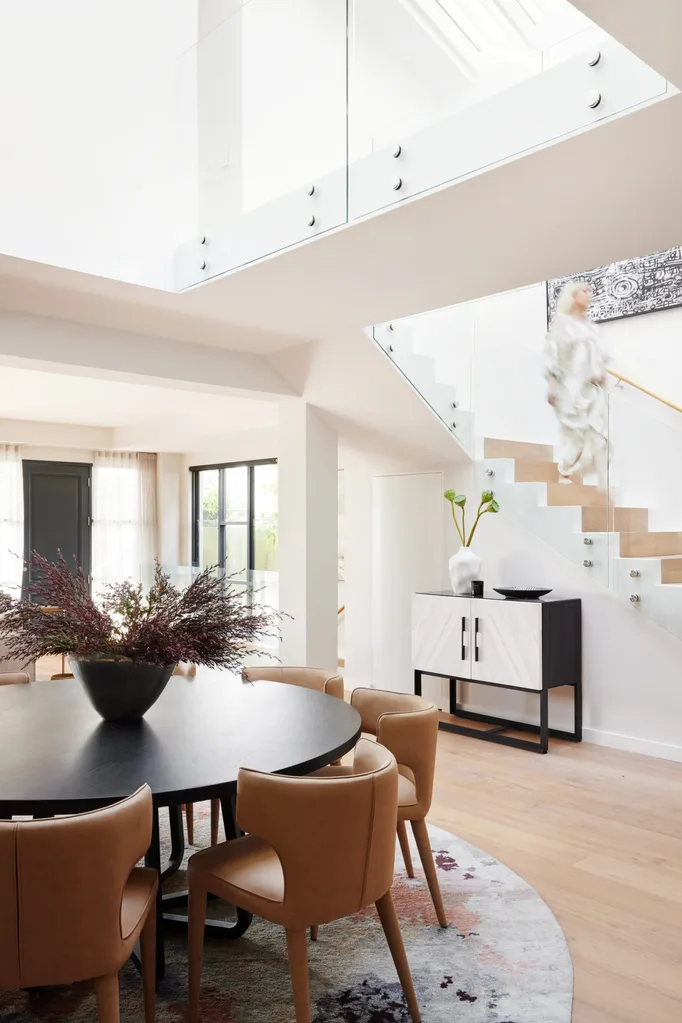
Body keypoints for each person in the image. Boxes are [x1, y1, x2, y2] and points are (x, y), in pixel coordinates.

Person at [545, 280, 610, 487]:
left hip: (591, 390)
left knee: (593, 432)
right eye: (584, 291)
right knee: (575, 433)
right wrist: (553, 386)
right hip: (570, 388)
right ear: (573, 296)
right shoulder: (563, 323)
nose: (589, 294)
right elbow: (553, 357)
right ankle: (564, 472)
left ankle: (575, 473)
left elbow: (599, 357)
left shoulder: (591, 327)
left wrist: (600, 374)